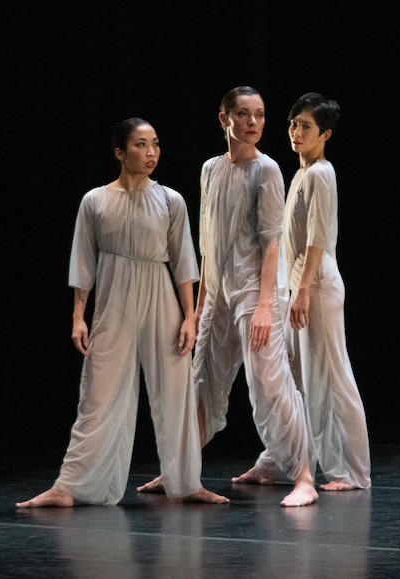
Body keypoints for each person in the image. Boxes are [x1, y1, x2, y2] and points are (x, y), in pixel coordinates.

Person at [17, 119, 228, 508]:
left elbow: (183, 262)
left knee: (176, 393)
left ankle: (187, 482)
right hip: (114, 299)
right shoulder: (95, 200)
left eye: (156, 144)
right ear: (119, 152)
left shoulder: (171, 200)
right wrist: (79, 315)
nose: (151, 153)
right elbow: (84, 262)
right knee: (97, 393)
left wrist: (189, 316)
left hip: (160, 297)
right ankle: (69, 486)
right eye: (141, 145)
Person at [141, 87, 318, 507]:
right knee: (201, 380)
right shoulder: (210, 169)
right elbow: (209, 242)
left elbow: (272, 243)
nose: (253, 122)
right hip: (218, 290)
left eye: (259, 114)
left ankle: (304, 476)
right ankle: (179, 471)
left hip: (257, 291)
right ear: (225, 120)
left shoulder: (268, 170)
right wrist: (201, 303)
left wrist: (261, 306)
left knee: (268, 383)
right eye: (244, 114)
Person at [257, 92, 371, 491]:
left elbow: (317, 240)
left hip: (317, 287)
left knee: (332, 376)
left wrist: (302, 291)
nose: (295, 132)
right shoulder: (303, 173)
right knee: (293, 378)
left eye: (305, 126)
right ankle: (278, 459)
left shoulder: (322, 173)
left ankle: (353, 472)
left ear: (325, 134)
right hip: (300, 287)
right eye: (292, 124)